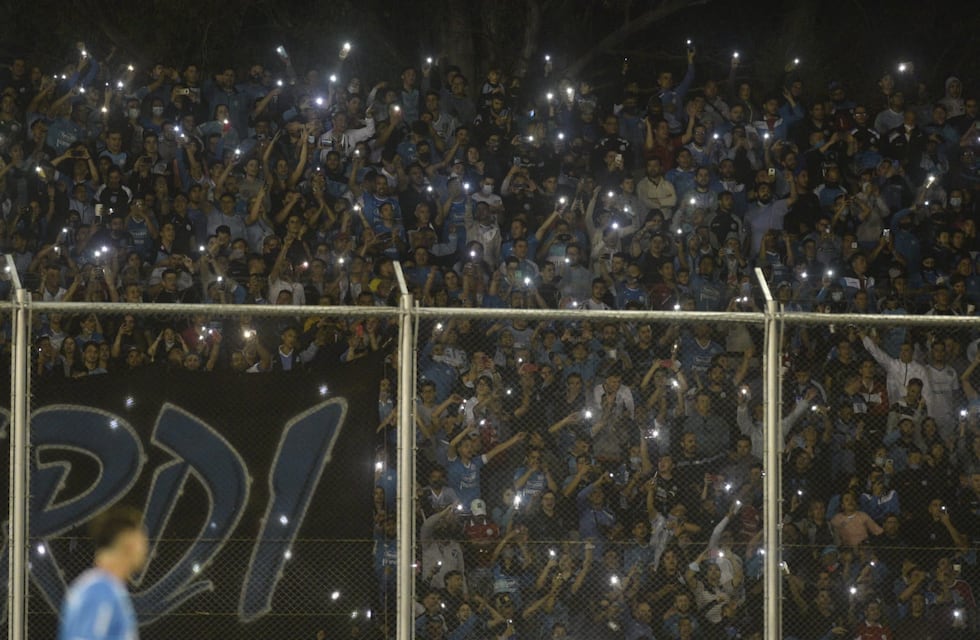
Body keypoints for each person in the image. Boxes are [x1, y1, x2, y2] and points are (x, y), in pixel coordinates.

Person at [57, 505, 148, 640]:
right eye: (142, 539)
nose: (145, 547)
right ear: (130, 543)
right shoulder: (100, 590)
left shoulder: (102, 587)